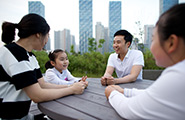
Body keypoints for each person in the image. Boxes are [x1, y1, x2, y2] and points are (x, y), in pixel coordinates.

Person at [105, 3, 185, 119]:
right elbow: (158, 95)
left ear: (171, 42)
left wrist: (112, 93)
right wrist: (125, 92)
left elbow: (129, 110)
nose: (151, 46)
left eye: (153, 39)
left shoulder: (177, 76)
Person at [0, 13, 86, 120]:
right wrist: (72, 90)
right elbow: (37, 95)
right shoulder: (14, 54)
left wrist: (73, 86)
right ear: (38, 34)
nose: (47, 40)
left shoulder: (30, 56)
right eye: (48, 35)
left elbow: (42, 85)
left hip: (23, 116)